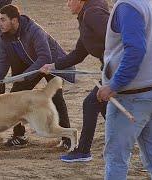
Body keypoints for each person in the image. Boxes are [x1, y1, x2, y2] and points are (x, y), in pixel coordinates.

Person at [0, 4, 74, 148]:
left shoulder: (34, 30)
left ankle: (67, 139)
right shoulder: (3, 38)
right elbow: (1, 65)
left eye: (3, 20)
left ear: (15, 20)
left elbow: (44, 57)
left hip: (51, 63)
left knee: (56, 97)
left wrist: (25, 75)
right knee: (15, 95)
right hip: (30, 64)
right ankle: (19, 136)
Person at [40, 0, 109, 162]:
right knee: (106, 106)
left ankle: (84, 151)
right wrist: (54, 66)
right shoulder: (86, 15)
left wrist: (110, 65)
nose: (66, 4)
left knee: (91, 103)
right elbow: (79, 52)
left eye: (70, 0)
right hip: (111, 67)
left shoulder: (93, 13)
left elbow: (117, 38)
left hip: (118, 67)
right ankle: (119, 143)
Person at [96, 0, 152, 179]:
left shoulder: (128, 6)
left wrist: (115, 84)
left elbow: (136, 49)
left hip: (132, 96)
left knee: (116, 158)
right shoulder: (150, 3)